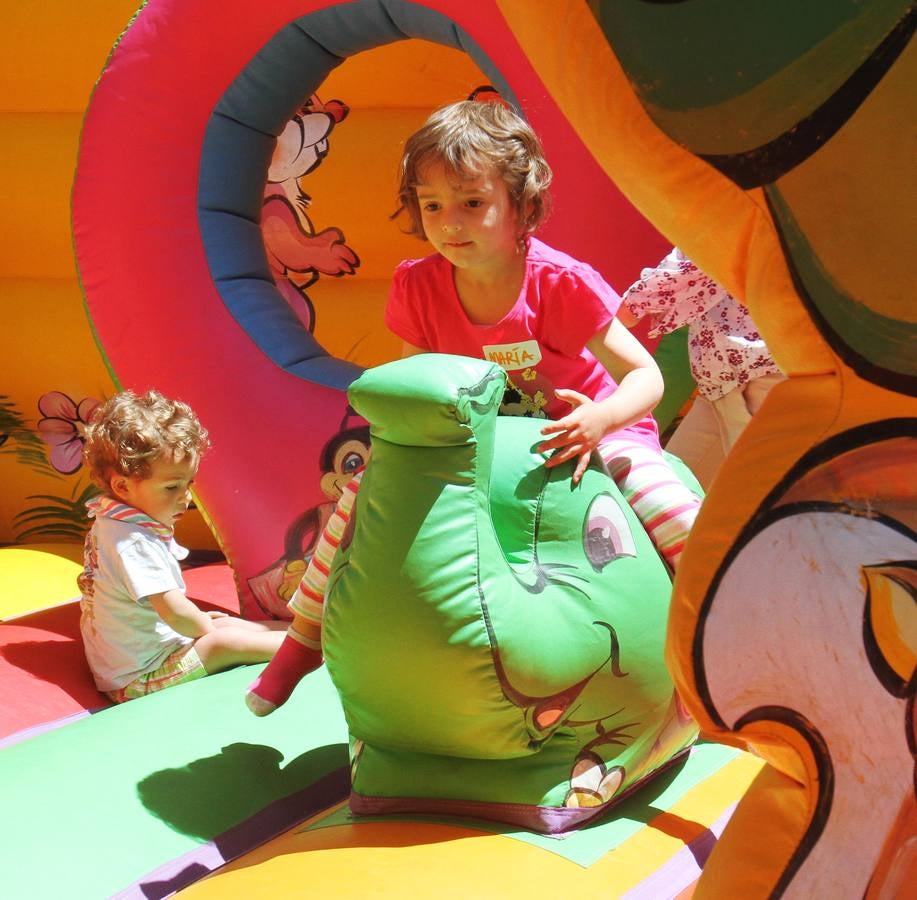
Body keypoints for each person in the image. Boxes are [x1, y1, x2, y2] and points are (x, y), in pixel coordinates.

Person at [246, 98, 701, 715]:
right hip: (484, 445)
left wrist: (600, 420)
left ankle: (719, 619)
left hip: (582, 434)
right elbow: (418, 383)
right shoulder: (419, 285)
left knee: (661, 498)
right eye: (432, 205)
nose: (449, 223)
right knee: (358, 494)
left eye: (472, 203)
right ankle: (300, 645)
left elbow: (644, 376)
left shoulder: (558, 282)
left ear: (523, 207)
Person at [79, 389, 287, 703]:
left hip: (142, 658)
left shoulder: (115, 522)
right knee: (222, 641)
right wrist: (204, 628)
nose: (185, 496)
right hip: (137, 677)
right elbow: (175, 612)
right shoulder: (132, 541)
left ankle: (306, 633)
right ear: (122, 485)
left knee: (226, 622)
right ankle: (315, 649)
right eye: (172, 486)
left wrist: (206, 623)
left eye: (188, 483)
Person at [619, 247, 784, 489]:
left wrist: (606, 320)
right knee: (676, 490)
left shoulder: (738, 217)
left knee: (756, 497)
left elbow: (698, 261)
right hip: (724, 383)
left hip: (754, 376)